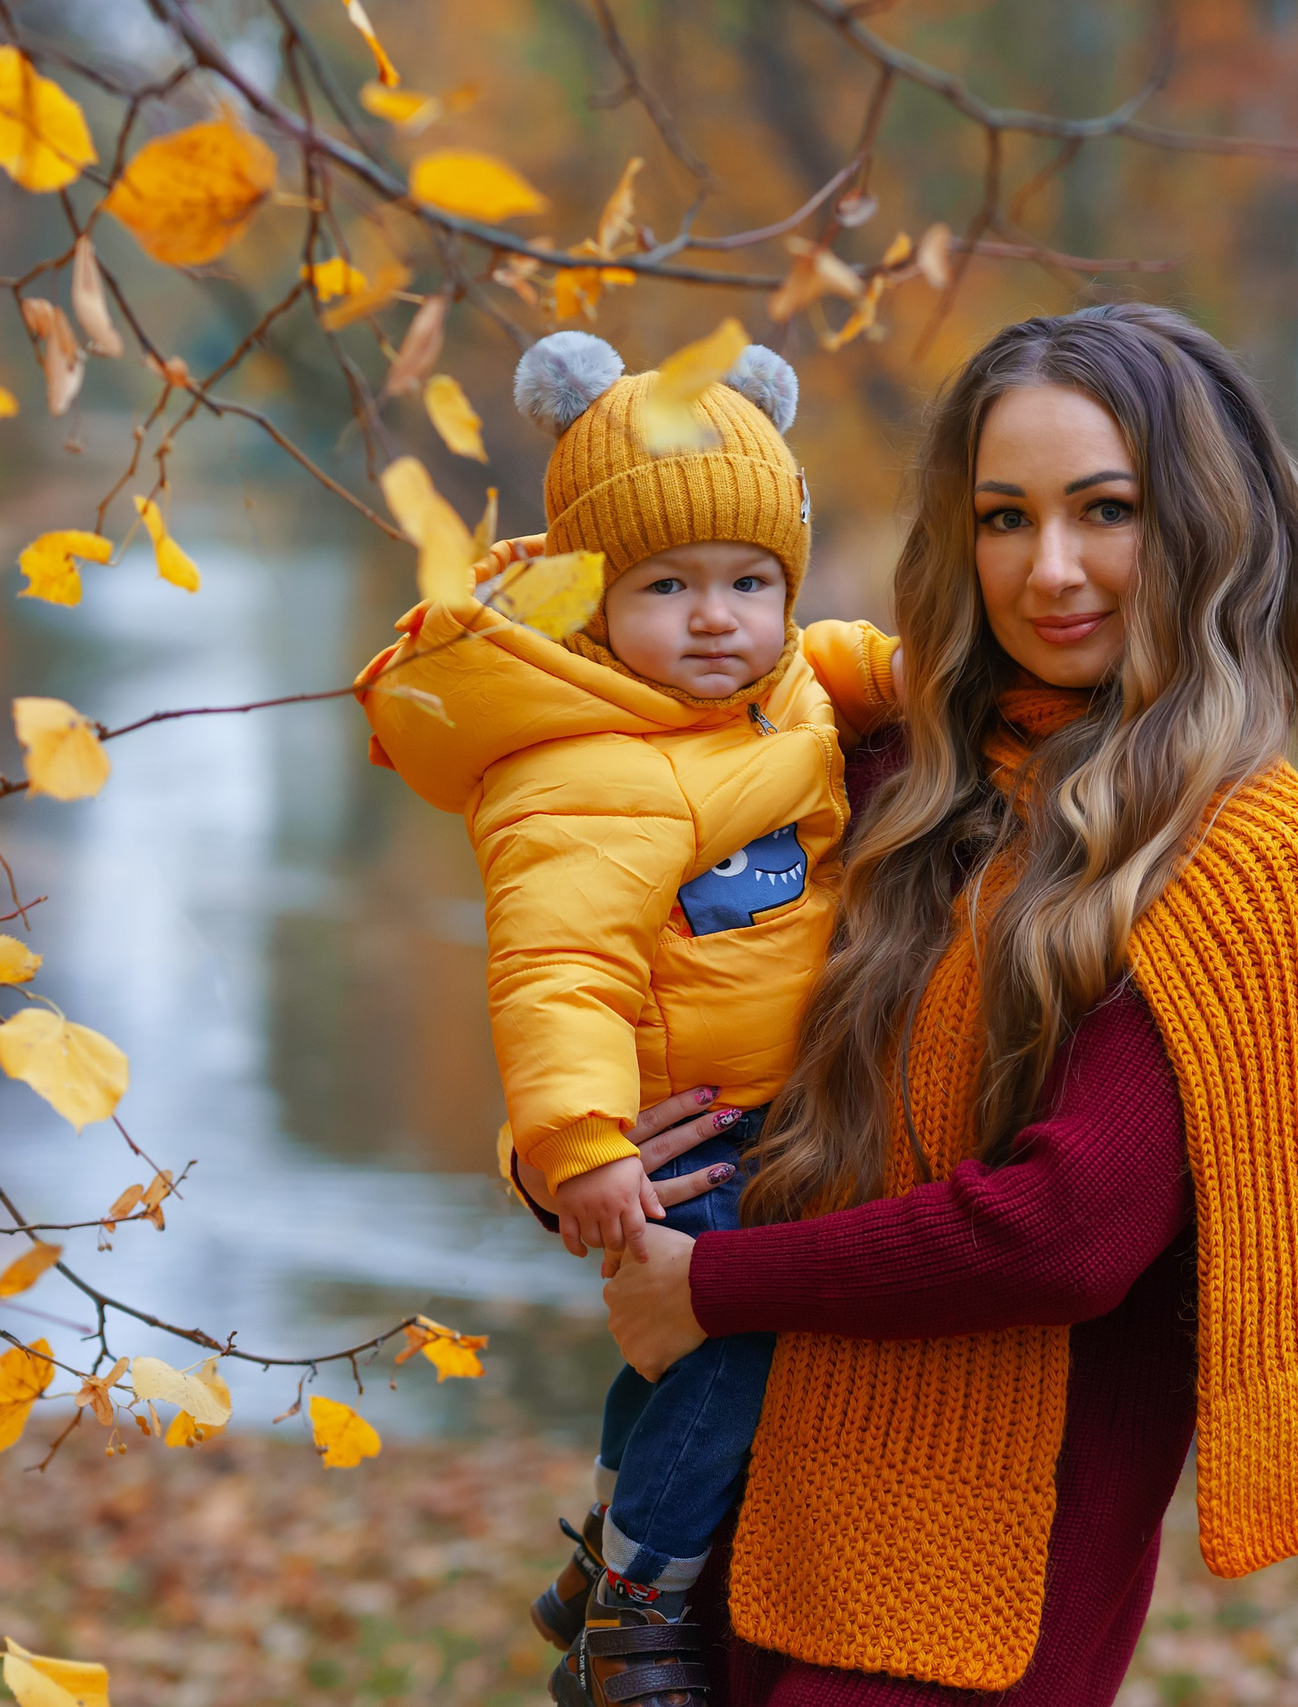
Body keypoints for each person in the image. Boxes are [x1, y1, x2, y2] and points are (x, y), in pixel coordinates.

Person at [595, 302, 1298, 1705]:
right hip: (744, 1525)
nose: (1052, 569)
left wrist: (711, 1289)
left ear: (1203, 523)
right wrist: (581, 1161)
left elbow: (1070, 1230)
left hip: (976, 1600)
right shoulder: (892, 767)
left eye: (1107, 510)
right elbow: (666, 998)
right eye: (1005, 518)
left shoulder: (1245, 844)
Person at [354, 330, 895, 1707]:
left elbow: (850, 662)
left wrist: (943, 672)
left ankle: (604, 1545)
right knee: (736, 1351)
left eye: (749, 582)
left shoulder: (784, 691)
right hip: (698, 1133)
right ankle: (642, 1612)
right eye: (669, 587)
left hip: (776, 1114)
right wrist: (580, 1139)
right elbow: (556, 974)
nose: (717, 619)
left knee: (670, 1365)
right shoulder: (577, 772)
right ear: (595, 602)